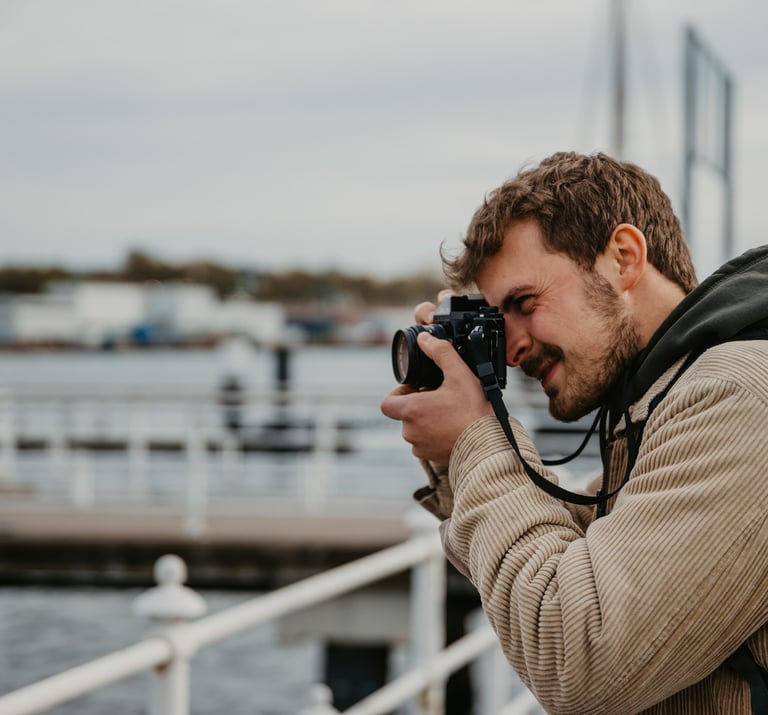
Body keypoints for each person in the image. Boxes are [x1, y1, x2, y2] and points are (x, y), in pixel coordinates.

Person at [380, 151, 768, 715]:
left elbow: (580, 656)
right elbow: (565, 562)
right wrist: (455, 448)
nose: (511, 350)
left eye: (524, 303)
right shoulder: (655, 403)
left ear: (624, 258)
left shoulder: (738, 395)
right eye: (494, 323)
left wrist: (475, 440)